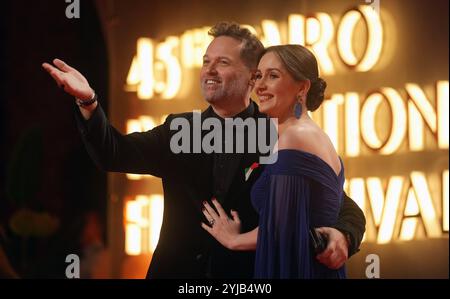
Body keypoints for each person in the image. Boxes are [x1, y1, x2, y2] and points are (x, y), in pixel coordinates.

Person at [42, 22, 365, 278]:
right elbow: (114, 153)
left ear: (251, 77)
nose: (209, 70)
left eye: (222, 62)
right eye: (206, 61)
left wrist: (343, 235)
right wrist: (88, 101)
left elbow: (340, 203)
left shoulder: (279, 132)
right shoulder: (179, 129)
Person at [201, 44, 349, 278]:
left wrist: (233, 239)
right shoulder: (308, 135)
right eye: (259, 76)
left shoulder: (295, 137)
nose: (259, 86)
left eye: (273, 76)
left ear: (302, 87)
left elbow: (280, 230)